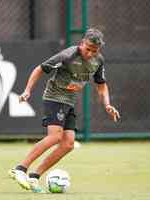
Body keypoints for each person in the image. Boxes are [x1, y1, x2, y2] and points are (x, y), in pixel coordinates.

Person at [9, 28, 120, 193]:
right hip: (54, 98)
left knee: (68, 144)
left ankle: (34, 176)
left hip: (69, 102)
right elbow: (40, 68)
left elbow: (101, 84)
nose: (89, 53)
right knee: (55, 136)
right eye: (87, 48)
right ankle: (20, 168)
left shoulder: (98, 60)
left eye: (94, 51)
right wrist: (27, 91)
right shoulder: (68, 55)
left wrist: (107, 104)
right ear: (82, 43)